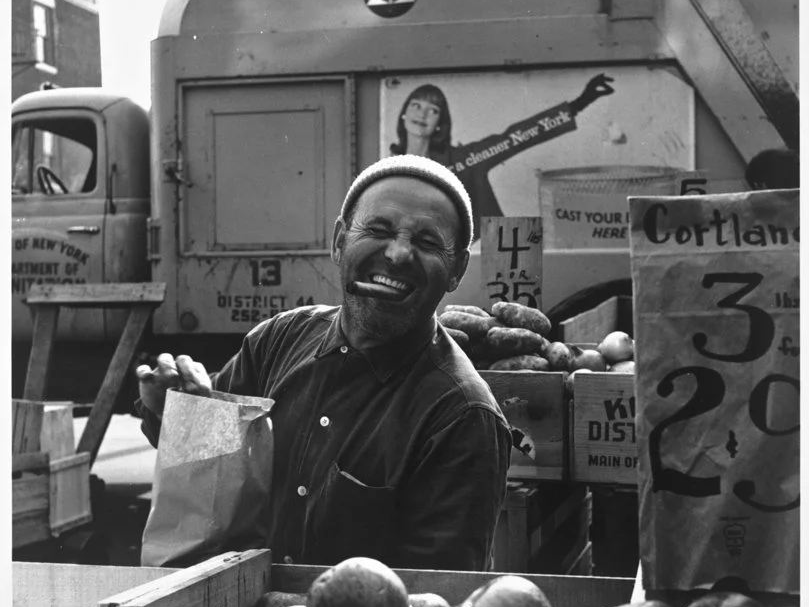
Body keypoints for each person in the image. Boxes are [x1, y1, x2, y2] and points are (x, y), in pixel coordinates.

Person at [135, 154, 512, 571]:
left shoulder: (462, 416)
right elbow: (210, 469)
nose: (399, 253)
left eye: (426, 242)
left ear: (456, 269)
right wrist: (170, 410)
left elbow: (435, 601)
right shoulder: (277, 342)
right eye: (379, 229)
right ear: (339, 242)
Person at [389, 74, 616, 238]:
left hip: (480, 256)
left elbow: (515, 137)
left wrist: (580, 102)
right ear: (404, 114)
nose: (422, 114)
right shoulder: (388, 171)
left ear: (440, 123)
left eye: (433, 110)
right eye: (416, 105)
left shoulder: (464, 161)